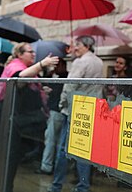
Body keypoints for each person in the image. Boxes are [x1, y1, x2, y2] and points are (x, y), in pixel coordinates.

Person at [0, 43, 59, 192]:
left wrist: (42, 89)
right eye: (30, 52)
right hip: (15, 120)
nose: (33, 54)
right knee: (9, 161)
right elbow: (20, 78)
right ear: (19, 54)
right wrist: (42, 64)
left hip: (23, 121)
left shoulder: (28, 70)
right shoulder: (15, 67)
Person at [48, 36, 103, 192]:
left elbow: (70, 86)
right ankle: (83, 186)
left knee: (63, 149)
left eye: (77, 45)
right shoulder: (99, 62)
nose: (74, 48)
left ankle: (56, 185)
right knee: (83, 150)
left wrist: (62, 103)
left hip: (73, 110)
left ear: (86, 46)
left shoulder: (80, 62)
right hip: (90, 110)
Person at [35, 59, 68, 175]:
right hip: (60, 112)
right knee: (58, 141)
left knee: (50, 139)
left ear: (63, 65)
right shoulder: (62, 77)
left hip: (56, 111)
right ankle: (55, 166)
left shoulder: (62, 78)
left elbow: (48, 86)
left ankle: (46, 166)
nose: (55, 68)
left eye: (57, 66)